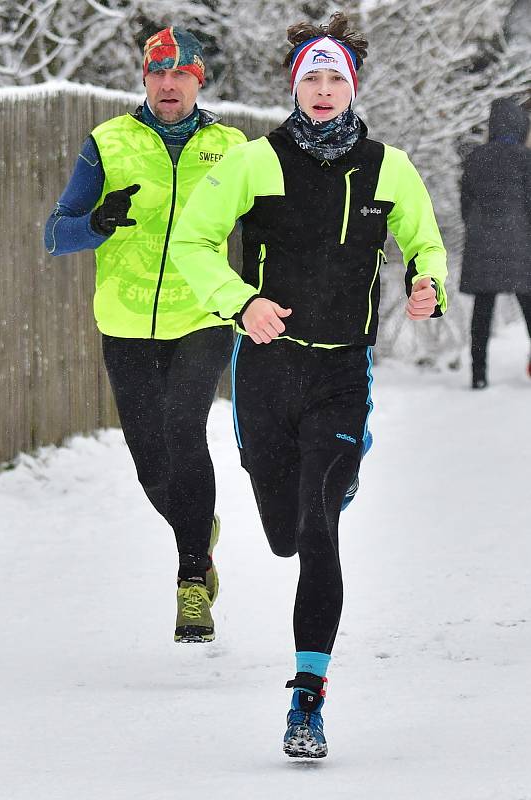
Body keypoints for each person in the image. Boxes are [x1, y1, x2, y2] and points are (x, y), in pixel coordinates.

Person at [170, 12, 447, 757]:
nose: (323, 91)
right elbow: (192, 241)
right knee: (281, 531)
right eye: (310, 79)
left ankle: (306, 700)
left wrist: (427, 284)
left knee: (318, 526)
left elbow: (424, 242)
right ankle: (303, 497)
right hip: (265, 370)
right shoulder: (253, 162)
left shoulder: (389, 167)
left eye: (335, 79)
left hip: (338, 372)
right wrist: (240, 302)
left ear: (351, 87)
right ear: (293, 87)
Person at [44, 25, 246, 643]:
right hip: (127, 323)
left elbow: (271, 228)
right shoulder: (108, 143)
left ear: (198, 81)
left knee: (184, 427)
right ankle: (197, 529)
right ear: (144, 77)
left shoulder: (230, 147)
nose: (168, 83)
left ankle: (191, 580)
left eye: (181, 74)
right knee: (151, 465)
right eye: (158, 72)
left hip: (203, 315)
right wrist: (99, 222)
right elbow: (57, 235)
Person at [460, 97, 531, 389]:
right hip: (521, 244)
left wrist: (478, 229)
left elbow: (465, 202)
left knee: (482, 312)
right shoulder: (526, 159)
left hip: (482, 242)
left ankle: (479, 375)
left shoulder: (476, 157)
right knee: (529, 307)